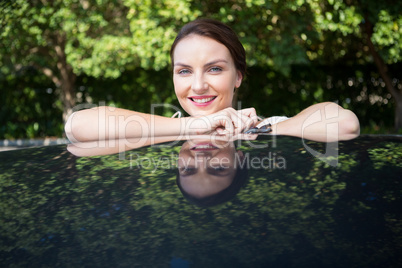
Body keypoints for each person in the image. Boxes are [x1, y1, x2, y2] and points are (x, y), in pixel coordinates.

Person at [65, 18, 360, 145]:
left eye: (215, 69)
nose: (197, 86)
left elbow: (345, 124)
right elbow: (76, 126)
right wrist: (194, 126)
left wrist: (258, 130)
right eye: (184, 71)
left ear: (238, 77)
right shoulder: (159, 131)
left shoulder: (267, 129)